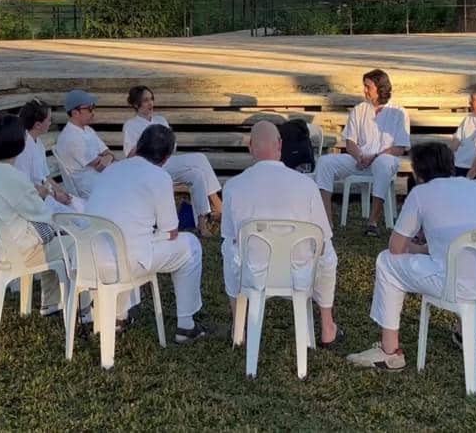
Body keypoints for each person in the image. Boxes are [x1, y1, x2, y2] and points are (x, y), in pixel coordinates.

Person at [347, 141, 476, 371]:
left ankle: (389, 351)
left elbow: (396, 247)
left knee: (387, 262)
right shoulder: (475, 188)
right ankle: (467, 332)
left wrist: (419, 249)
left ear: (418, 172)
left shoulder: (421, 193)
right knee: (462, 261)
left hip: (456, 285)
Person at [222, 120, 341, 347]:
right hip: (300, 274)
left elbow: (231, 237)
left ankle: (239, 326)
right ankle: (327, 327)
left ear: (250, 147)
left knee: (228, 247)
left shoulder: (233, 187)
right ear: (279, 145)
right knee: (328, 250)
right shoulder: (306, 185)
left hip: (253, 275)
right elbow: (323, 241)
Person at [86, 123, 206, 342]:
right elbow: (171, 231)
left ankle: (118, 316)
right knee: (191, 245)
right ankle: (186, 326)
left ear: (138, 146)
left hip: (88, 259)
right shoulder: (159, 177)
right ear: (166, 158)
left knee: (125, 241)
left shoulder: (111, 169)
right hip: (126, 263)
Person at [0, 114, 70, 317]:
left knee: (51, 239)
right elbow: (41, 214)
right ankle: (84, 311)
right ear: (19, 144)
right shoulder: (13, 176)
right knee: (71, 244)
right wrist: (42, 195)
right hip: (16, 252)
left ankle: (51, 304)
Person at [315, 69, 410, 235]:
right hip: (360, 159)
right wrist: (359, 156)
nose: (364, 90)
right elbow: (350, 141)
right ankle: (326, 221)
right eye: (364, 86)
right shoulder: (359, 110)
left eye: (368, 87)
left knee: (383, 163)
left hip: (385, 160)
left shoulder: (399, 112)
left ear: (380, 88)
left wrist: (375, 157)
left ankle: (372, 222)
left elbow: (400, 147)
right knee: (325, 162)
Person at [122, 85, 222, 237]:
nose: (150, 103)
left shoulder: (161, 120)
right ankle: (217, 204)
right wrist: (148, 140)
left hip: (166, 161)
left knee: (197, 175)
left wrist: (164, 146)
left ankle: (202, 225)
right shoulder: (131, 125)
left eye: (151, 99)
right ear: (136, 104)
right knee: (199, 158)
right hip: (149, 167)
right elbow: (129, 155)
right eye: (146, 100)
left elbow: (172, 146)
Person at [16, 98, 85, 213]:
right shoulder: (23, 148)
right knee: (78, 216)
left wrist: (63, 193)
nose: (50, 122)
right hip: (33, 202)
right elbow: (25, 187)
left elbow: (45, 176)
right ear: (38, 124)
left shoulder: (38, 143)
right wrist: (55, 195)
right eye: (49, 119)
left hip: (46, 195)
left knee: (80, 205)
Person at [55, 89, 115, 198]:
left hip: (101, 183)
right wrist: (107, 157)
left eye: (93, 107)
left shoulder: (87, 130)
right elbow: (100, 166)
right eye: (89, 108)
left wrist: (108, 156)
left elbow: (108, 153)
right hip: (90, 191)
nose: (93, 112)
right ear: (75, 113)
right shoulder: (70, 137)